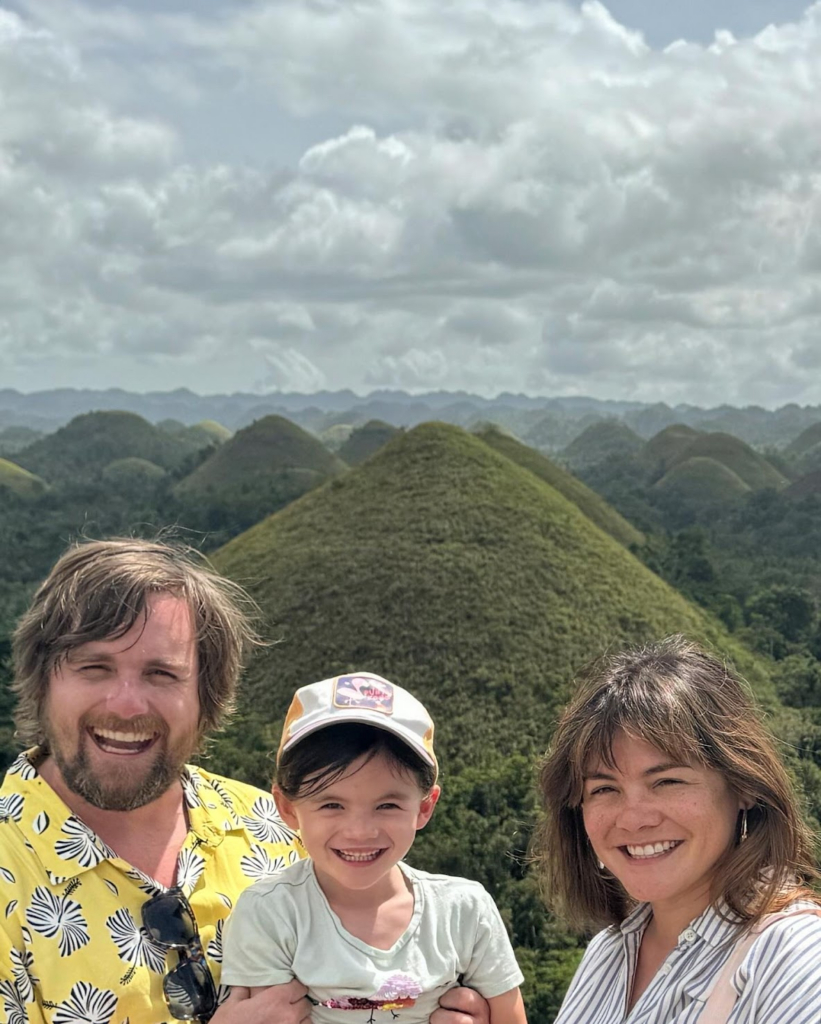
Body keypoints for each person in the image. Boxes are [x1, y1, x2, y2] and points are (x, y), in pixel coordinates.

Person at [0, 538, 491, 1024]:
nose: (127, 704)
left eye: (162, 674)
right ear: (42, 683)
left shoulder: (275, 827)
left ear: (205, 699)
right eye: (94, 667)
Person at [534, 635, 821, 1024]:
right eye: (604, 789)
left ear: (744, 787)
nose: (633, 819)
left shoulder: (796, 957)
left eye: (667, 781)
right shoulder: (609, 952)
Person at [221, 672, 527, 1023]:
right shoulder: (270, 914)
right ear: (288, 808)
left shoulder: (464, 912)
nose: (359, 832)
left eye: (388, 806)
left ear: (425, 807)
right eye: (331, 805)